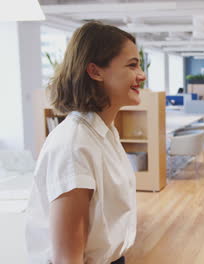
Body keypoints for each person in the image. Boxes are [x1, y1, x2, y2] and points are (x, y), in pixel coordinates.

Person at [26, 22, 146, 264]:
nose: (141, 75)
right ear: (96, 71)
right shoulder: (74, 145)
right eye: (132, 65)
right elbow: (67, 259)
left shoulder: (104, 133)